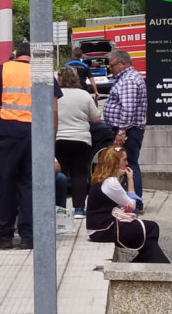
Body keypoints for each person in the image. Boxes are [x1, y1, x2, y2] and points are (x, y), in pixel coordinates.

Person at [0, 41, 63, 250]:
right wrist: (51, 139)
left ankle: (4, 236)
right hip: (35, 136)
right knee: (30, 185)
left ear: (16, 55)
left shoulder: (2, 69)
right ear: (33, 57)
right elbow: (54, 110)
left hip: (9, 135)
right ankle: (29, 237)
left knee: (5, 184)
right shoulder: (42, 73)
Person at [86, 147, 169, 263]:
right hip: (103, 230)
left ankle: (158, 263)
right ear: (115, 163)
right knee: (152, 228)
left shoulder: (101, 179)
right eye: (124, 160)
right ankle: (151, 263)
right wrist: (130, 181)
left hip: (98, 228)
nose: (127, 163)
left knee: (149, 239)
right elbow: (133, 206)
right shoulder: (111, 183)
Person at [103, 49, 147, 212]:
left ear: (123, 64)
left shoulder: (128, 80)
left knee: (128, 165)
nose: (111, 69)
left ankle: (134, 203)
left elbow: (128, 108)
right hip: (129, 129)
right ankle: (130, 201)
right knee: (126, 164)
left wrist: (122, 131)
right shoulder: (128, 77)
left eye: (112, 65)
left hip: (127, 130)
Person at [56, 66, 100, 218]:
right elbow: (96, 118)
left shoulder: (54, 95)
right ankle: (79, 209)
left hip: (59, 139)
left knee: (60, 175)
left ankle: (59, 209)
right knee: (79, 175)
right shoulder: (84, 95)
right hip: (81, 140)